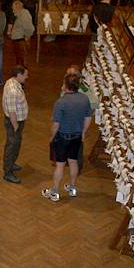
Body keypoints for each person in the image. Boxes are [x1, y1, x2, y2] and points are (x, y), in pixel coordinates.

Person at [42, 73, 92, 202]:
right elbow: (88, 119)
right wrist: (83, 133)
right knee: (73, 161)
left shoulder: (61, 102)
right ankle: (72, 187)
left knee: (60, 165)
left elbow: (56, 124)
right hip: (77, 136)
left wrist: (51, 137)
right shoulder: (84, 99)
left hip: (63, 137)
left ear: (66, 86)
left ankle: (55, 191)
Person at [1, 65, 29, 184]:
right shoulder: (13, 90)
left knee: (15, 144)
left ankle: (11, 163)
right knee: (12, 146)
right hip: (14, 122)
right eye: (25, 75)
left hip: (16, 121)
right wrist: (16, 126)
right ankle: (8, 172)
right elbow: (12, 112)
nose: (27, 77)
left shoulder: (12, 82)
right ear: (19, 75)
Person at [7, 0, 34, 66]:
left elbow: (29, 28)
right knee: (19, 61)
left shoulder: (24, 14)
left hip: (21, 42)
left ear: (18, 7)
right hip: (18, 41)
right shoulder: (20, 15)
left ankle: (22, 75)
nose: (13, 11)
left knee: (22, 62)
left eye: (14, 9)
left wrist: (27, 36)